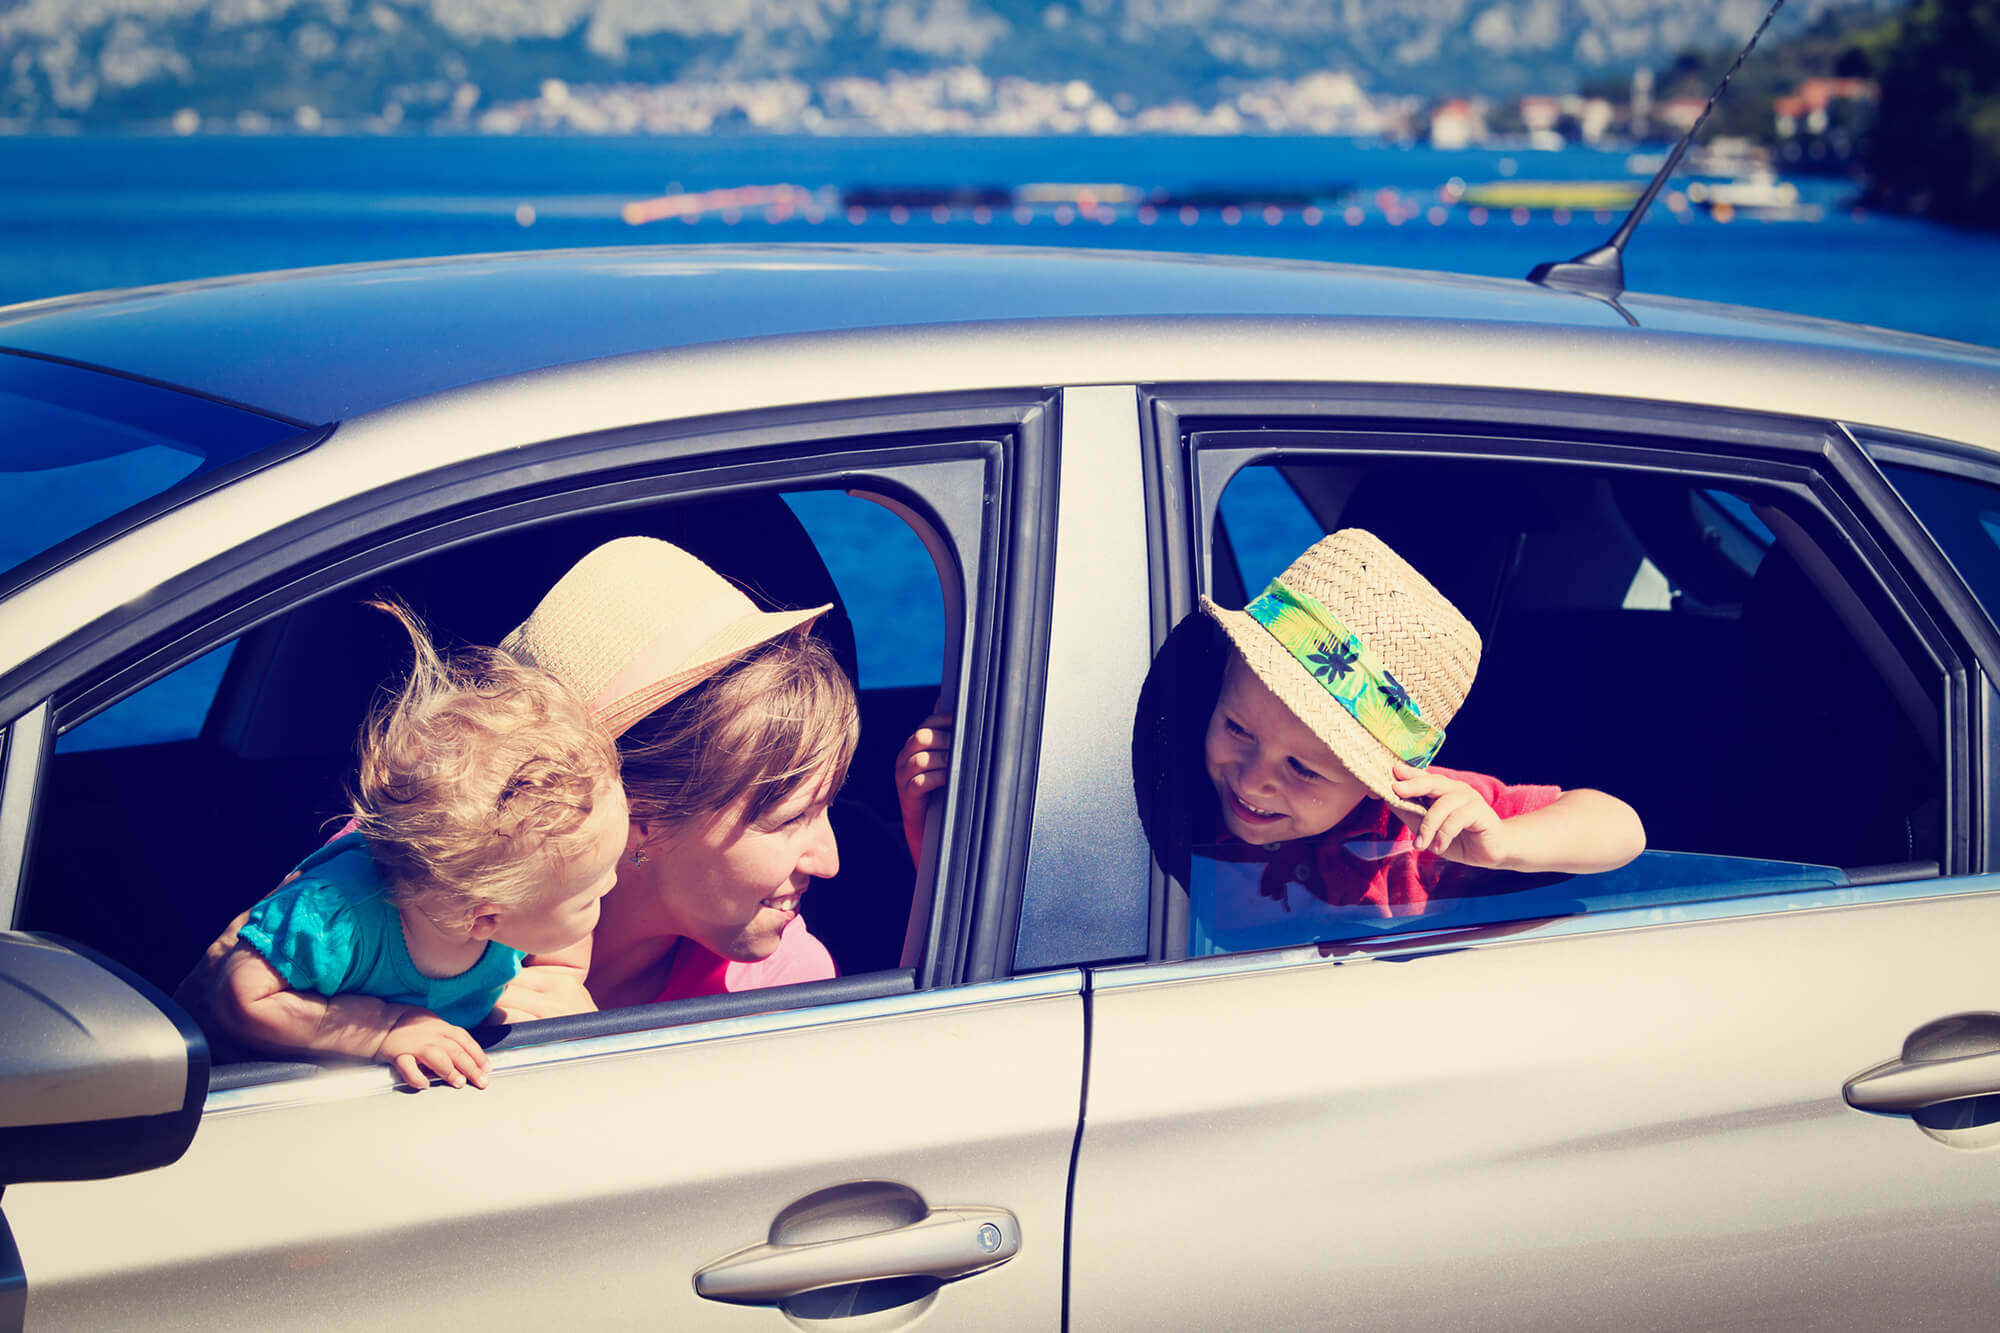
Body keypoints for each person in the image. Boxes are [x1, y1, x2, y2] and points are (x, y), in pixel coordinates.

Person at [203, 600, 628, 1090]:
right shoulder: (339, 919)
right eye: (589, 895)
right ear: (485, 919)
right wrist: (386, 1029)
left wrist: (562, 987)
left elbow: (559, 955)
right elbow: (239, 999)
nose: (613, 884)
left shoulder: (498, 903)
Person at [490, 535, 859, 1017]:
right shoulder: (392, 907)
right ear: (636, 809)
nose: (828, 862)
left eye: (824, 808)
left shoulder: (781, 989)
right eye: (789, 819)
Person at [1190, 527, 1644, 914]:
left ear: (1377, 779)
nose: (1252, 780)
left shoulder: (1418, 818)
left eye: (1303, 768)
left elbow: (1622, 828)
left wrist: (1504, 843)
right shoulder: (1178, 780)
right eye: (1237, 729)